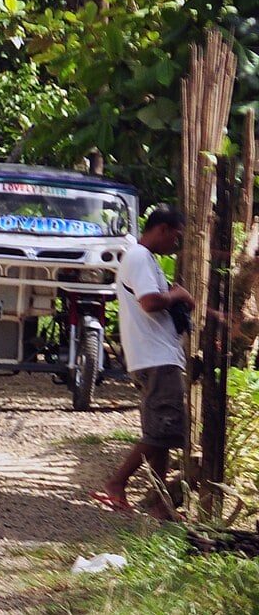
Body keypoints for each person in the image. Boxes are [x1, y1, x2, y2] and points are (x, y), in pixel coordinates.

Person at [96, 206, 192, 518]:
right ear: (162, 228)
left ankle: (160, 504)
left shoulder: (143, 258)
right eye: (175, 237)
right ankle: (117, 482)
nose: (175, 245)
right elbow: (150, 303)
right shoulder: (138, 256)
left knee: (161, 433)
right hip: (155, 356)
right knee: (163, 431)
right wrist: (178, 296)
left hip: (154, 354)